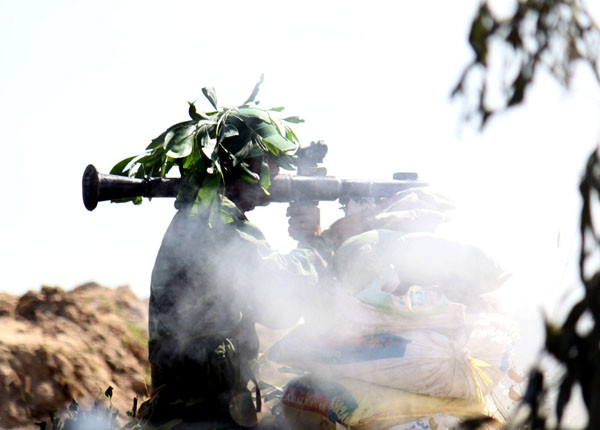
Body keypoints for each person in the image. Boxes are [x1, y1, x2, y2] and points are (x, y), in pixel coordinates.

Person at [142, 151, 357, 429]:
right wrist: (324, 241)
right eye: (268, 160)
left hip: (198, 412)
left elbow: (275, 310)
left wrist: (309, 242)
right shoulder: (220, 222)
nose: (275, 172)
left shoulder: (202, 216)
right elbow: (280, 294)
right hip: (201, 416)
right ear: (239, 164)